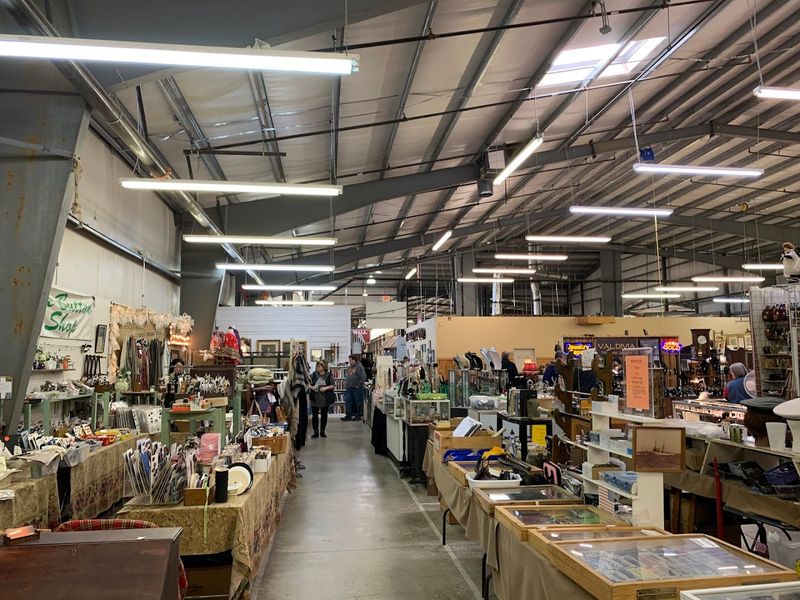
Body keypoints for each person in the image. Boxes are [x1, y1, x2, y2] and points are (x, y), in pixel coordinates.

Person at [310, 361, 335, 438]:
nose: (317, 368)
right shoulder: (313, 375)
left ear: (324, 367)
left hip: (325, 399)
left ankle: (322, 431)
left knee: (324, 416)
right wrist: (312, 387)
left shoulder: (329, 375)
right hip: (315, 398)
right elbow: (307, 383)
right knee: (314, 416)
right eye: (317, 366)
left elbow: (333, 385)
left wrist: (326, 388)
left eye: (319, 366)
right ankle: (315, 432)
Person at [343, 354, 366, 422]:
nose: (349, 361)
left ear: (354, 360)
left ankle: (358, 416)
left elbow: (363, 377)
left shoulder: (360, 367)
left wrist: (358, 385)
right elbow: (348, 375)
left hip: (356, 388)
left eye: (350, 360)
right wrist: (346, 382)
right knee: (348, 402)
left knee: (358, 402)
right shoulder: (350, 367)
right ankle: (348, 415)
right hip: (349, 388)